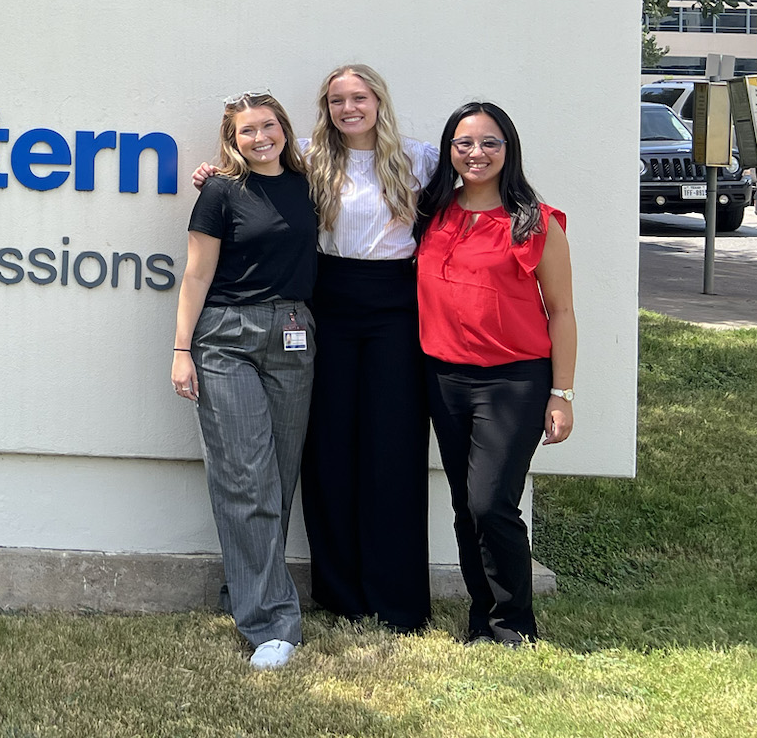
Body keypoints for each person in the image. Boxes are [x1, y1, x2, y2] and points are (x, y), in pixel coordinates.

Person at [192, 64, 439, 632]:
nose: (348, 108)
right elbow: (250, 158)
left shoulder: (420, 158)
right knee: (326, 451)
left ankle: (397, 598)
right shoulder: (309, 155)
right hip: (324, 302)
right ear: (324, 108)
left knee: (393, 446)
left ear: (379, 98)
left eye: (358, 97)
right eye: (336, 100)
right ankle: (339, 591)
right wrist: (212, 172)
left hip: (395, 305)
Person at [412, 101, 575, 646]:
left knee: (491, 502)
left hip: (514, 381)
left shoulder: (537, 221)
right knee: (465, 503)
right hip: (444, 379)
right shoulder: (430, 211)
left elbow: (562, 312)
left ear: (509, 150)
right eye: (464, 143)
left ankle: (514, 622)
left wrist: (562, 393)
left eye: (489, 143)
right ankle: (481, 617)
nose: (476, 154)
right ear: (449, 151)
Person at [171, 91, 319, 670]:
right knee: (244, 475)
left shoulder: (311, 183)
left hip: (294, 332)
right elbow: (195, 274)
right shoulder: (218, 192)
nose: (259, 138)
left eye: (268, 126)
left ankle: (243, 592)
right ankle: (271, 624)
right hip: (226, 338)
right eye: (245, 132)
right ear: (231, 140)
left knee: (277, 477)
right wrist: (182, 350)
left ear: (284, 128)